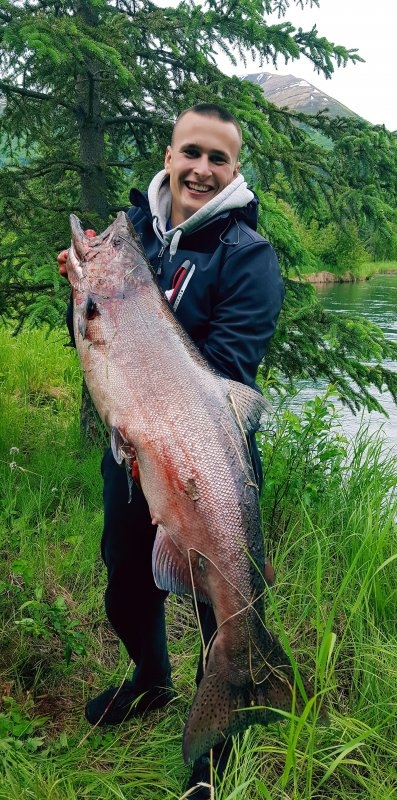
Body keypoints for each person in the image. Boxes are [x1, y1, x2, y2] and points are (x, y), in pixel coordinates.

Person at [58, 103, 285, 799]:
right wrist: (79, 293)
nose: (202, 168)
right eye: (192, 152)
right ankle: (151, 681)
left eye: (218, 159)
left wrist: (115, 316)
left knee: (227, 607)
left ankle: (218, 746)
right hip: (131, 461)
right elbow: (101, 344)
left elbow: (229, 372)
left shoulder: (249, 257)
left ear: (234, 170)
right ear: (170, 154)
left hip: (204, 461)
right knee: (127, 580)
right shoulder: (138, 242)